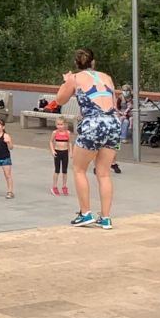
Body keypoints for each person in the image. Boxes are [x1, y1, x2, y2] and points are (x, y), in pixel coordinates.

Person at [56, 48, 120, 230]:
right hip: (112, 123)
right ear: (93, 62)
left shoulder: (75, 79)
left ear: (76, 63)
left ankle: (86, 213)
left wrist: (66, 81)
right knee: (104, 173)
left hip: (93, 124)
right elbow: (114, 103)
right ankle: (105, 218)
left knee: (79, 169)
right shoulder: (107, 77)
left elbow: (60, 100)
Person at [112, 85, 133, 175]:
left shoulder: (131, 98)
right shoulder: (119, 98)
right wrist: (120, 114)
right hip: (119, 117)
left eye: (127, 90)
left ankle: (113, 163)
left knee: (114, 147)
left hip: (127, 115)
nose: (125, 92)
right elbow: (116, 108)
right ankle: (100, 166)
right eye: (124, 90)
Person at [51, 116, 71, 196]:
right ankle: (54, 186)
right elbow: (51, 141)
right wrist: (53, 150)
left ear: (65, 124)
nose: (59, 126)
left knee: (64, 171)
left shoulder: (68, 133)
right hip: (57, 152)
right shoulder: (55, 132)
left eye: (61, 124)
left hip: (65, 152)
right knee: (57, 170)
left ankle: (64, 186)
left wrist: (71, 152)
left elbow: (69, 142)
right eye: (58, 124)